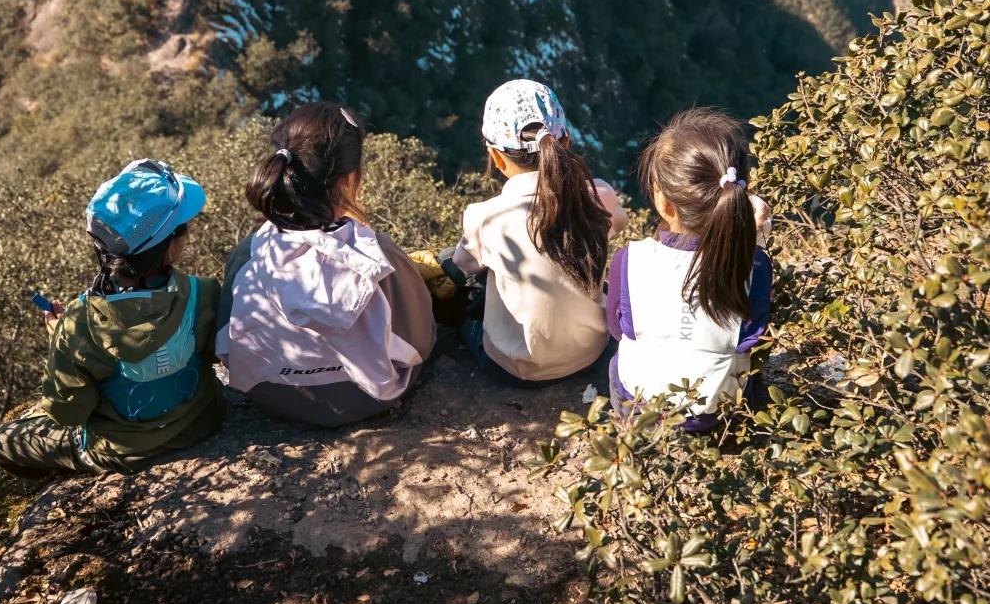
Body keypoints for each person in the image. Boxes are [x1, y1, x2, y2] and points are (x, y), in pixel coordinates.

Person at [0, 160, 223, 474]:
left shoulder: (79, 323)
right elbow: (214, 355)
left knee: (0, 441)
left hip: (123, 450)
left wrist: (61, 336)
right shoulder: (203, 292)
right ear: (172, 248)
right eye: (184, 229)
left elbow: (69, 412)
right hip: (202, 420)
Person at [217, 103, 436, 427]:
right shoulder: (378, 257)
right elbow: (419, 342)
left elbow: (225, 344)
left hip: (271, 394)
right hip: (371, 394)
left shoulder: (249, 254)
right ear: (349, 180)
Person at [448, 79, 628, 383]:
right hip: (590, 353)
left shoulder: (485, 217)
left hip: (513, 367)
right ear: (566, 143)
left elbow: (464, 265)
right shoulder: (600, 197)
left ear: (495, 156)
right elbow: (618, 224)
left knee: (460, 277)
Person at [607, 107, 772, 432]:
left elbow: (617, 327)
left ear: (664, 204)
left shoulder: (630, 259)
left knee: (619, 356)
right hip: (718, 412)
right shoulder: (754, 263)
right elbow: (755, 334)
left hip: (642, 407)